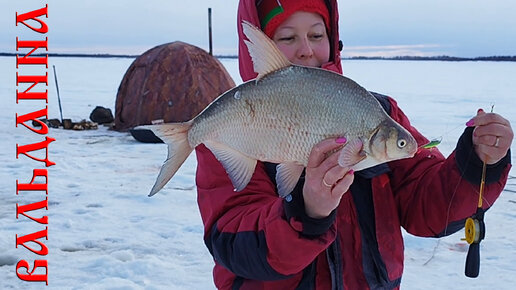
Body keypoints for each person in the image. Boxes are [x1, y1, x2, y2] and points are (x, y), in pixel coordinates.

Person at [194, 0, 513, 288]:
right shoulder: (228, 129)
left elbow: (426, 203)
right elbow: (233, 243)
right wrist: (306, 214)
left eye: (317, 36)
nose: (306, 49)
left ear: (333, 43)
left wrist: (475, 163)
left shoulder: (381, 112)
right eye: (287, 38)